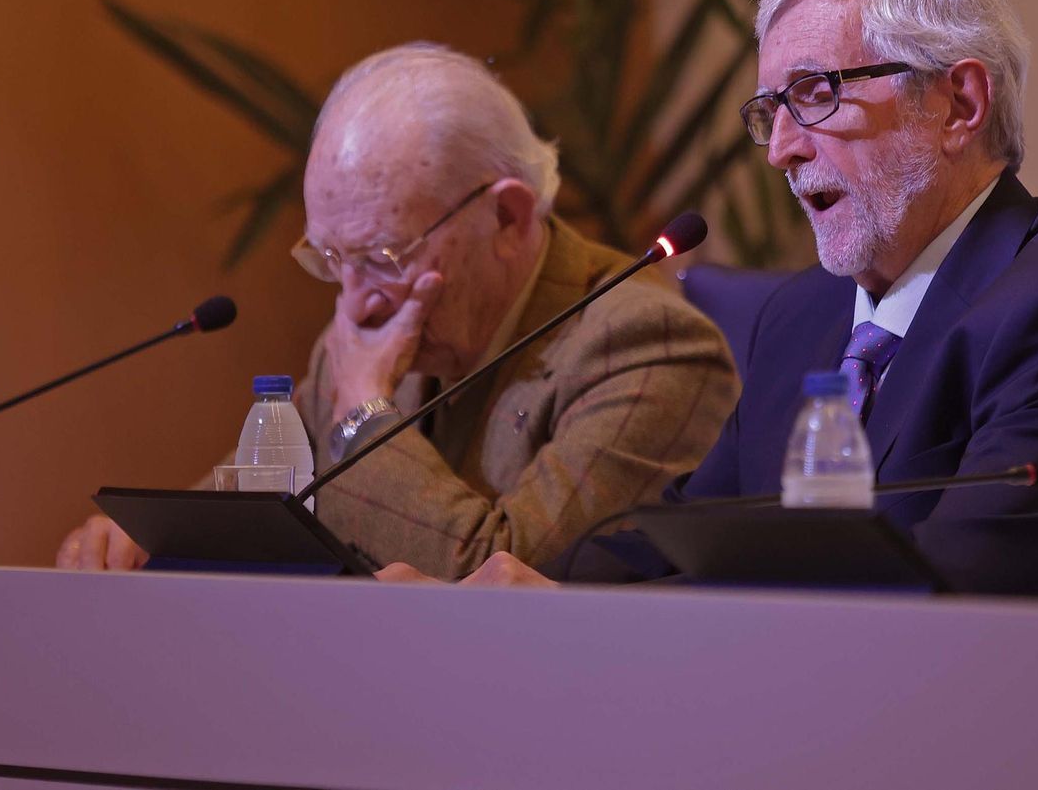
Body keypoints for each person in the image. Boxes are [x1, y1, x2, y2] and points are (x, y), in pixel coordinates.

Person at [382, 0, 1038, 597]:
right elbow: (677, 537)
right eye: (768, 111)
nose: (781, 149)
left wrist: (582, 620)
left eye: (816, 95)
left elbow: (948, 597)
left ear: (960, 105)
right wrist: (502, 597)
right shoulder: (804, 319)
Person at [57, 43, 739, 577]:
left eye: (385, 255)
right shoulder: (363, 334)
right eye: (328, 257)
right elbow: (259, 502)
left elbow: (504, 582)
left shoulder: (646, 343)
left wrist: (361, 414)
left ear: (507, 216)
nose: (353, 300)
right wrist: (146, 542)